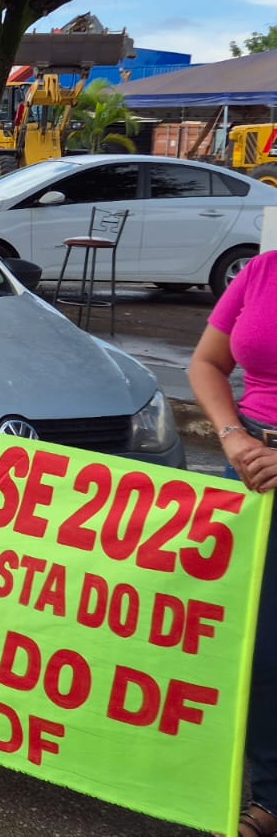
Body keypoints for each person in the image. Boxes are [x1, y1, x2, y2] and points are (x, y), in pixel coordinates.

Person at [187, 252, 277, 837]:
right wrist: (232, 436)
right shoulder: (262, 272)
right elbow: (206, 362)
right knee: (252, 647)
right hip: (249, 474)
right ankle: (268, 794)